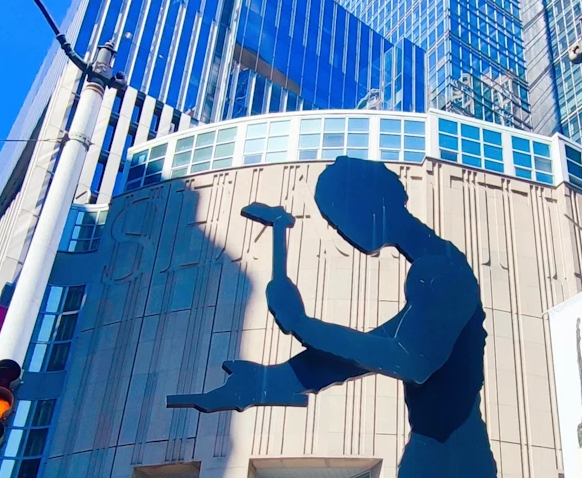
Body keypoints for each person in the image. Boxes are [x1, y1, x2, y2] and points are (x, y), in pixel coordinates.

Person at [168, 156, 496, 477]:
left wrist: (301, 324)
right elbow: (359, 356)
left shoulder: (441, 269)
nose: (342, 231)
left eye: (340, 218)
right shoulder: (435, 269)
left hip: (453, 461)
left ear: (370, 207)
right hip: (435, 453)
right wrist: (266, 382)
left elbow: (413, 360)